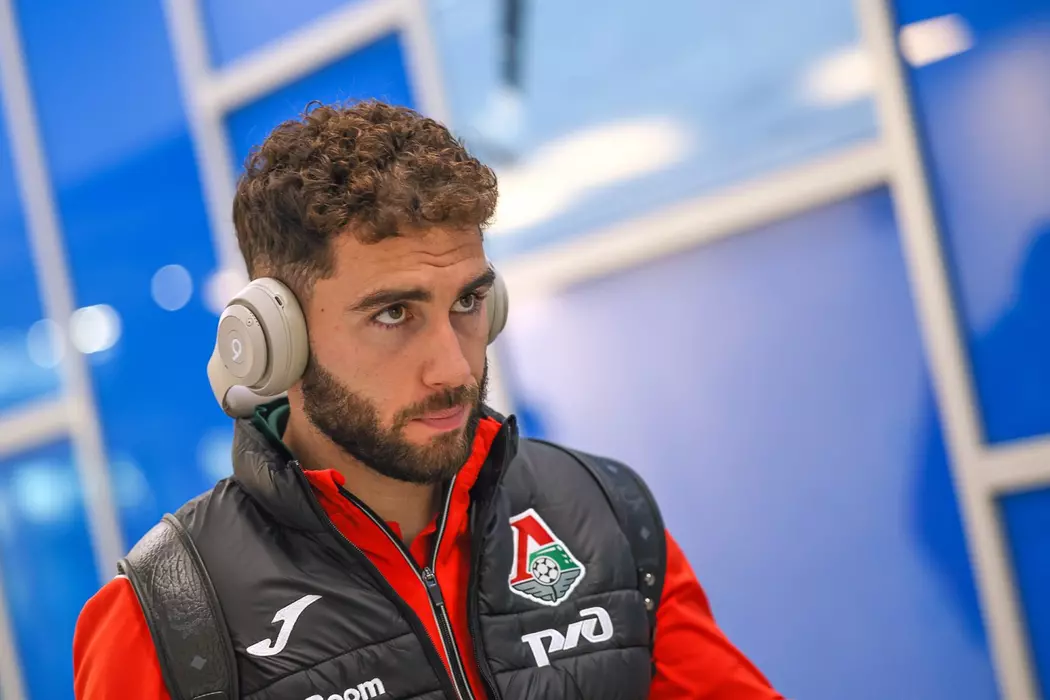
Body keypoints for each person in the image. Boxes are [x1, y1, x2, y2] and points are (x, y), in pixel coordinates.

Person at [72, 100, 783, 700]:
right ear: (273, 341)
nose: (454, 367)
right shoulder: (167, 616)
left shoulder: (603, 515)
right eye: (393, 313)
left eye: (468, 302)